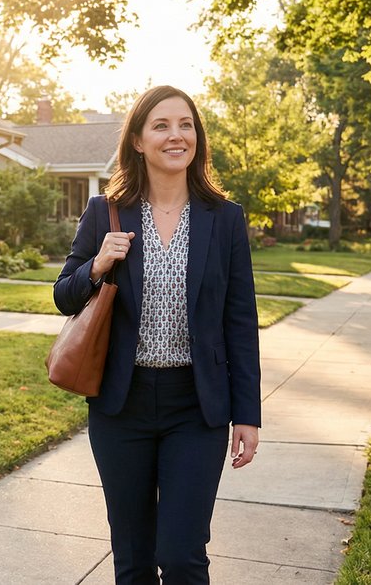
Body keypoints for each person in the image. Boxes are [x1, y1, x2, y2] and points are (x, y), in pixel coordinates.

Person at [53, 85, 261, 584]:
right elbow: (63, 295)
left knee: (183, 553)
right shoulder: (106, 211)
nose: (176, 136)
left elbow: (240, 321)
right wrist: (98, 265)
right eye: (162, 126)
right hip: (120, 405)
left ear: (198, 138)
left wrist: (246, 414)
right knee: (134, 556)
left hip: (197, 406)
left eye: (186, 125)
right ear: (139, 141)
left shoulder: (225, 218)